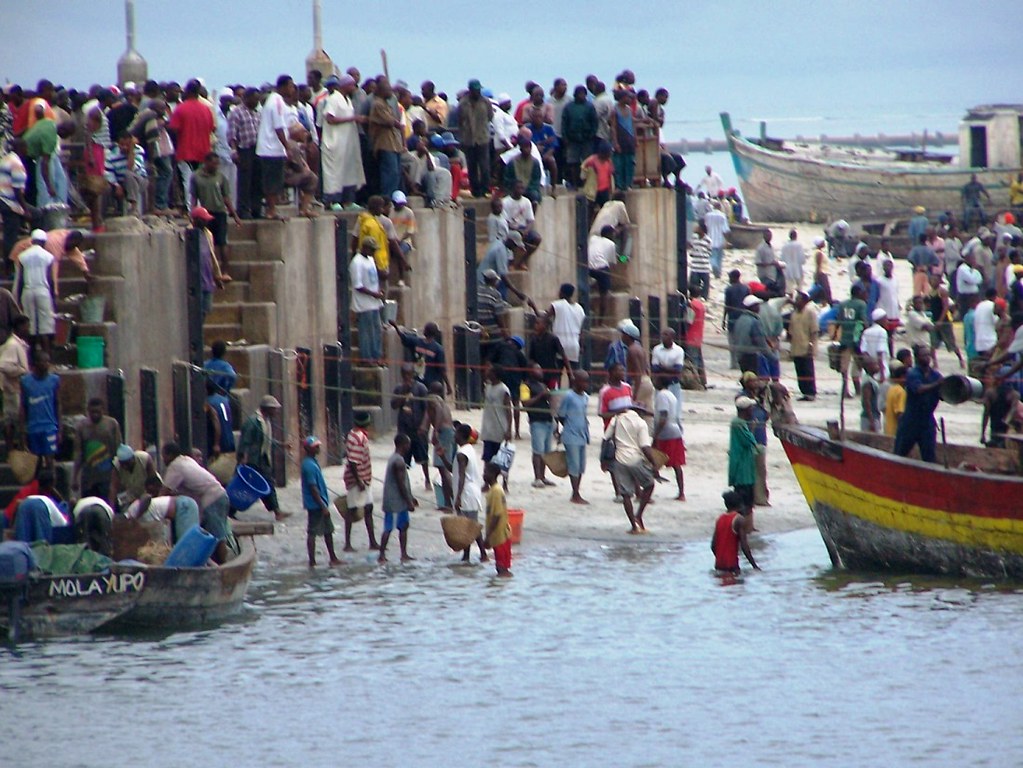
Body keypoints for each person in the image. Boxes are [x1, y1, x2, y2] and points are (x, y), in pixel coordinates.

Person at [160, 442, 232, 564]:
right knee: (214, 533)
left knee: (217, 535)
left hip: (213, 499)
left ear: (170, 455)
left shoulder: (175, 466)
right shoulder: (186, 460)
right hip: (220, 495)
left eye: (164, 456)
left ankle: (223, 567)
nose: (163, 459)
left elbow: (164, 492)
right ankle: (217, 563)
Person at [604, 402, 657, 534]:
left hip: (619, 460)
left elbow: (605, 439)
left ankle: (633, 525)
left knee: (626, 494)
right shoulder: (641, 423)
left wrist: (603, 460)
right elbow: (645, 447)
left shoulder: (617, 419)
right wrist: (654, 464)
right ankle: (639, 515)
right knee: (649, 484)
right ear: (641, 412)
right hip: (634, 459)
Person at [237, 394, 287, 521]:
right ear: (267, 409)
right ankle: (230, 509)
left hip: (262, 459)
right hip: (253, 461)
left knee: (268, 484)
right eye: (274, 409)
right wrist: (243, 458)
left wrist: (282, 445)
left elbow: (266, 441)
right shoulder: (254, 422)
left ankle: (277, 510)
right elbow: (245, 442)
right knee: (245, 486)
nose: (276, 411)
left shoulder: (266, 421)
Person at [189, 153, 242, 272]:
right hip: (205, 214)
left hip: (220, 213)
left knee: (222, 242)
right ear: (206, 163)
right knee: (209, 243)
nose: (216, 166)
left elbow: (226, 198)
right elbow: (194, 197)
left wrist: (235, 215)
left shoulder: (221, 177)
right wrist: (192, 213)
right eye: (214, 164)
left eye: (217, 164)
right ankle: (212, 270)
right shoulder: (196, 177)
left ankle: (225, 271)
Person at [167, 79, 215, 208]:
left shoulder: (180, 109)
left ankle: (192, 211)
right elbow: (212, 128)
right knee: (202, 182)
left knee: (188, 182)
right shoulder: (206, 109)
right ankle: (203, 209)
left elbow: (173, 129)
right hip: (204, 151)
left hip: (185, 151)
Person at [320, 74, 365, 209]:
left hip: (347, 144)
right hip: (335, 143)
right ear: (345, 85)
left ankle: (348, 201)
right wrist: (352, 119)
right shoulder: (334, 99)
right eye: (352, 85)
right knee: (335, 173)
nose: (354, 88)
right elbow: (330, 119)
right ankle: (333, 201)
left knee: (349, 171)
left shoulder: (348, 100)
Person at [893, 345, 944, 463]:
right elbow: (919, 389)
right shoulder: (912, 373)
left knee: (929, 457)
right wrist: (938, 384)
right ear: (917, 358)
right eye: (924, 355)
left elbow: (943, 395)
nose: (927, 358)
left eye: (928, 355)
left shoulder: (935, 375)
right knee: (899, 454)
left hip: (927, 421)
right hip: (911, 421)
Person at [255, 75, 296, 220]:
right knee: (272, 181)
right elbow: (278, 127)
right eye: (290, 86)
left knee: (275, 181)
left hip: (271, 148)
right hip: (271, 148)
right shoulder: (277, 101)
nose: (292, 89)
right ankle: (271, 211)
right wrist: (288, 147)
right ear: (283, 87)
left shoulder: (275, 100)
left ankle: (272, 209)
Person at [447, 421, 487, 562]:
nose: (454, 435)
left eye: (456, 433)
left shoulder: (461, 454)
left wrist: (458, 497)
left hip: (466, 493)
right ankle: (469, 555)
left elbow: (462, 476)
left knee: (470, 526)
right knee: (470, 525)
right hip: (472, 490)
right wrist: (441, 456)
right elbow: (455, 470)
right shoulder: (468, 449)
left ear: (461, 435)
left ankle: (482, 554)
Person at [300, 435, 341, 567]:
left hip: (318, 503)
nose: (318, 448)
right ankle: (312, 561)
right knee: (313, 532)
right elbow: (313, 488)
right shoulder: (309, 466)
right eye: (316, 447)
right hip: (315, 504)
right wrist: (322, 506)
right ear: (309, 449)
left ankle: (333, 557)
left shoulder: (311, 462)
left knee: (328, 530)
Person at [14, 229, 56, 352]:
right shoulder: (48, 256)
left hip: (27, 291)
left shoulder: (22, 256)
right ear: (44, 242)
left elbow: (20, 279)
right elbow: (50, 279)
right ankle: (47, 356)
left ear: (32, 241)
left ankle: (31, 358)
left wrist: (19, 297)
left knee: (29, 325)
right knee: (45, 327)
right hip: (43, 291)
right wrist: (53, 297)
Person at [72, 397, 122, 501]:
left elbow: (118, 449)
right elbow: (78, 453)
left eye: (97, 412)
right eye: (92, 412)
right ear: (88, 411)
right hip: (89, 476)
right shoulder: (81, 427)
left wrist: (120, 474)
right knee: (88, 504)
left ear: (103, 410)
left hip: (108, 475)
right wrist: (75, 477)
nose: (95, 414)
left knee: (107, 504)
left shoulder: (111, 424)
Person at [343, 410, 380, 551]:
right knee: (352, 510)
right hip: (358, 479)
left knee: (368, 508)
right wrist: (358, 481)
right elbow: (353, 462)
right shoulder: (360, 438)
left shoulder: (353, 434)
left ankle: (372, 542)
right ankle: (347, 544)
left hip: (363, 478)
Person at [391, 363, 430, 491]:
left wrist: (424, 426)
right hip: (404, 428)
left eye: (409, 374)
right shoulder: (398, 389)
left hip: (418, 428)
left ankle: (427, 479)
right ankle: (404, 483)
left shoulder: (420, 388)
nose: (407, 377)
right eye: (404, 375)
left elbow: (427, 409)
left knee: (423, 457)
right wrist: (403, 394)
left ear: (413, 374)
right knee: (403, 458)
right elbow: (394, 405)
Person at [380, 433, 417, 564]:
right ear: (403, 445)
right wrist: (409, 501)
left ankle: (403, 553)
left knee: (403, 526)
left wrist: (411, 497)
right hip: (395, 501)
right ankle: (382, 555)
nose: (409, 447)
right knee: (389, 527)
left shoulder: (394, 458)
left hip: (398, 500)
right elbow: (401, 484)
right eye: (407, 444)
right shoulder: (399, 462)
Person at [226, 87, 261, 219]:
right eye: (255, 98)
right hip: (244, 149)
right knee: (244, 181)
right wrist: (234, 151)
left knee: (257, 181)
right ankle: (243, 210)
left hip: (257, 150)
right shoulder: (237, 113)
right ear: (246, 98)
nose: (257, 101)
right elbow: (232, 134)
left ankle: (256, 209)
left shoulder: (257, 113)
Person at [21, 350, 59, 470]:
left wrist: (60, 427)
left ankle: (51, 485)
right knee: (35, 462)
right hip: (33, 428)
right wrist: (22, 431)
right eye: (44, 361)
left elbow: (58, 404)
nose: (47, 364)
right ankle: (37, 487)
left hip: (49, 426)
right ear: (36, 363)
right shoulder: (26, 382)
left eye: (48, 361)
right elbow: (23, 407)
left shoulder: (54, 380)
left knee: (49, 459)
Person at [557, 369, 590, 505]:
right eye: (583, 381)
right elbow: (561, 415)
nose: (586, 384)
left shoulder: (586, 397)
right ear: (575, 381)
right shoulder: (569, 396)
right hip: (571, 435)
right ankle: (575, 493)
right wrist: (567, 427)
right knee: (574, 465)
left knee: (581, 465)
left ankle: (576, 492)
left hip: (583, 434)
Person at [350, 235, 385, 366]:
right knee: (366, 332)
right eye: (372, 249)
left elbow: (373, 279)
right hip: (363, 305)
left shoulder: (370, 259)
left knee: (376, 331)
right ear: (364, 248)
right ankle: (367, 358)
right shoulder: (356, 262)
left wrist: (379, 292)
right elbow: (357, 285)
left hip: (374, 303)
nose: (373, 252)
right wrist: (374, 294)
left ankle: (377, 356)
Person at [652, 373, 686, 501]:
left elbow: (663, 417)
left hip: (666, 433)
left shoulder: (661, 396)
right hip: (676, 430)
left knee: (653, 460)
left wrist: (656, 435)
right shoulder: (672, 395)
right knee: (677, 464)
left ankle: (647, 490)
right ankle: (681, 492)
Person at [422, 381, 455, 509]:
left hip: (443, 433)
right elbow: (429, 416)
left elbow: (438, 411)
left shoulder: (433, 399)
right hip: (448, 432)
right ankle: (447, 502)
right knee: (443, 469)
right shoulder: (441, 401)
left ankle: (451, 501)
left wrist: (435, 430)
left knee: (444, 469)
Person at [523, 362, 556, 489]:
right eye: (537, 369)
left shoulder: (542, 385)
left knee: (546, 452)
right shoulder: (525, 386)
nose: (540, 371)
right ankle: (537, 477)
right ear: (530, 371)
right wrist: (541, 396)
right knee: (538, 451)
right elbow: (525, 403)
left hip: (547, 419)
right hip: (536, 421)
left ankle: (543, 476)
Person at [711, 489, 760, 574]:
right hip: (732, 566)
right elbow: (744, 547)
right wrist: (755, 566)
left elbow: (713, 546)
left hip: (718, 566)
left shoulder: (720, 519)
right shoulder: (739, 519)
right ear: (740, 504)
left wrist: (720, 558)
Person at [0, 314, 29, 449]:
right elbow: (3, 365)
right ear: (19, 327)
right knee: (13, 420)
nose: (28, 329)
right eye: (26, 326)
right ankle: (12, 449)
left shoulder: (18, 344)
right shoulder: (12, 345)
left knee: (12, 420)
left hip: (14, 388)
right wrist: (22, 371)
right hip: (12, 389)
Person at [728, 396, 761, 512]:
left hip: (745, 467)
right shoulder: (738, 423)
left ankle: (748, 525)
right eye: (751, 408)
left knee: (749, 499)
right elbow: (748, 441)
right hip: (742, 469)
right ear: (745, 410)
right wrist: (752, 429)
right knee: (744, 499)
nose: (752, 410)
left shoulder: (741, 423)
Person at [835, 284, 868, 398]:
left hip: (844, 339)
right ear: (858, 293)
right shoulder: (861, 304)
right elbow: (863, 320)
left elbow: (838, 319)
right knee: (859, 364)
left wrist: (835, 333)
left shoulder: (843, 304)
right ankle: (858, 389)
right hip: (856, 339)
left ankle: (845, 389)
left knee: (844, 366)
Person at [561, 85, 597, 188]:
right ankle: (575, 183)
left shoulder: (590, 107)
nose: (581, 96)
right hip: (572, 139)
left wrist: (591, 135)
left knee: (587, 163)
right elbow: (564, 123)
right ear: (575, 95)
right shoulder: (569, 107)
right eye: (579, 94)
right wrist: (565, 138)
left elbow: (594, 122)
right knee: (573, 162)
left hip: (587, 139)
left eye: (583, 94)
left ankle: (586, 183)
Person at [482, 461, 513, 577]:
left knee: (502, 568)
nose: (483, 475)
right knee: (501, 567)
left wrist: (488, 536)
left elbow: (497, 515)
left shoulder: (496, 491)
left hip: (500, 535)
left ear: (492, 474)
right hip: (498, 536)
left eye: (486, 472)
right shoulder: (493, 490)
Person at [480, 365, 513, 470]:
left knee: (502, 457)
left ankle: (504, 481)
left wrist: (508, 429)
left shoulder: (504, 390)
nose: (487, 373)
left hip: (499, 427)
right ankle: (487, 479)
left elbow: (508, 410)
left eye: (490, 371)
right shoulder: (487, 387)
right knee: (487, 457)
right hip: (488, 427)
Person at [788, 291, 818, 401]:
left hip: (807, 346)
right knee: (799, 370)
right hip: (796, 346)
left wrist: (811, 345)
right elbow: (791, 331)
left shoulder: (810, 312)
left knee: (808, 370)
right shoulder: (794, 313)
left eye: (799, 299)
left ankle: (811, 392)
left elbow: (814, 331)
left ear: (805, 301)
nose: (796, 301)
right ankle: (804, 392)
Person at [109, 443, 158, 510]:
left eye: (127, 463)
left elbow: (153, 481)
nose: (125, 466)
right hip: (132, 494)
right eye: (123, 464)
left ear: (133, 458)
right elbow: (113, 488)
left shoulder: (144, 459)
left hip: (147, 492)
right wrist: (111, 508)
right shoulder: (117, 467)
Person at [548, 283, 586, 371]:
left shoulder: (557, 304)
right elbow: (581, 331)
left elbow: (545, 319)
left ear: (562, 293)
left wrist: (534, 307)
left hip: (559, 345)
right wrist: (581, 346)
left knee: (557, 374)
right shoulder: (580, 309)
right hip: (574, 346)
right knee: (573, 374)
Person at [528, 312, 569, 390]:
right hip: (538, 376)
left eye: (538, 323)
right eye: (535, 323)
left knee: (553, 395)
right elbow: (531, 358)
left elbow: (563, 355)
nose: (535, 326)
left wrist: (570, 372)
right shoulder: (533, 339)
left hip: (551, 375)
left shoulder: (553, 339)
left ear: (545, 325)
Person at [651, 328, 685, 422]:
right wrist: (670, 369)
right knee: (659, 411)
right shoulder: (657, 349)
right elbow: (654, 368)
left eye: (666, 335)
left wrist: (662, 368)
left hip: (673, 383)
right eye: (662, 334)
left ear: (672, 337)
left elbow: (678, 370)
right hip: (660, 384)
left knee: (675, 413)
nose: (663, 337)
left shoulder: (678, 350)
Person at [588, 225, 617, 324]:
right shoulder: (611, 244)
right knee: (604, 295)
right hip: (601, 268)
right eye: (613, 234)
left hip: (588, 268)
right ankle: (600, 322)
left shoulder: (593, 239)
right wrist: (624, 258)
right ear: (609, 235)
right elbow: (612, 262)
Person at [733, 295, 768, 375]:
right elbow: (760, 341)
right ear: (752, 307)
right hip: (752, 355)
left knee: (747, 378)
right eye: (757, 305)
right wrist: (770, 355)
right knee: (754, 380)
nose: (759, 308)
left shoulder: (740, 319)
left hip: (741, 355)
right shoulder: (754, 321)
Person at [723, 270, 749, 369]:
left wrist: (723, 319)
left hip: (732, 319)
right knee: (742, 341)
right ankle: (741, 362)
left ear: (734, 277)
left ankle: (734, 363)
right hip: (743, 318)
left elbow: (727, 306)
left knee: (732, 342)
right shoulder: (746, 288)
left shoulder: (729, 289)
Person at [684, 287, 708, 388]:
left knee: (692, 361)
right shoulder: (701, 305)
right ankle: (703, 381)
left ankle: (696, 383)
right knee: (699, 361)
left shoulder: (692, 305)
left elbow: (689, 321)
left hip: (691, 336)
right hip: (698, 336)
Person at [860, 307, 891, 381]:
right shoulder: (882, 331)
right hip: (880, 370)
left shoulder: (866, 331)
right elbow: (880, 352)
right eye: (885, 319)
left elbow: (863, 352)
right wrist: (882, 374)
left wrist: (870, 365)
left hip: (869, 371)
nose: (887, 321)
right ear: (881, 320)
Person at [704, 202, 730, 279]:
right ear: (720, 207)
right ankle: (718, 272)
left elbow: (705, 227)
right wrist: (727, 240)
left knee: (712, 256)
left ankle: (714, 267)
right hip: (720, 240)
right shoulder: (722, 216)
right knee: (719, 257)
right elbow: (725, 230)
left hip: (709, 239)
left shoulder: (708, 215)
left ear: (713, 207)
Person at [689, 220, 712, 298]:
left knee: (705, 285)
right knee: (694, 285)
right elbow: (692, 250)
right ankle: (695, 297)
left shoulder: (708, 240)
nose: (696, 228)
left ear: (701, 229)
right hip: (695, 267)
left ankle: (704, 298)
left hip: (704, 267)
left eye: (698, 227)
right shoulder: (694, 238)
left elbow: (709, 252)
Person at [884, 363, 907, 437]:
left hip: (889, 429)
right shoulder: (901, 392)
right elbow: (899, 413)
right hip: (896, 432)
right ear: (903, 377)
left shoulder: (892, 389)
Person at [860, 356, 882, 432]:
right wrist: (871, 420)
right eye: (875, 364)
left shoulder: (872, 380)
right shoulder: (868, 382)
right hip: (869, 417)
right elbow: (867, 401)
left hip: (875, 415)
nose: (878, 366)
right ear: (868, 367)